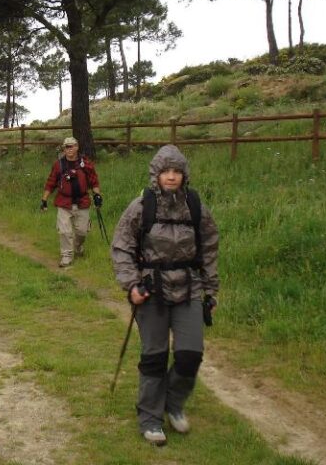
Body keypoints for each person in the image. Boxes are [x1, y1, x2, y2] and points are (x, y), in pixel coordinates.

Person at [110, 144, 219, 446]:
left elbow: (209, 249)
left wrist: (211, 289)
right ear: (155, 175)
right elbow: (122, 247)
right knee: (154, 357)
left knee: (190, 355)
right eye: (165, 172)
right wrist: (132, 285)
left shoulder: (196, 207)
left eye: (177, 172)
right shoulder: (141, 207)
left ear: (184, 175)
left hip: (190, 288)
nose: (171, 177)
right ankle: (150, 417)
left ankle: (173, 402)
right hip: (151, 290)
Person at [40, 136, 102, 267]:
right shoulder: (58, 165)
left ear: (77, 147)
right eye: (66, 147)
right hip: (64, 202)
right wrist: (44, 200)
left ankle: (78, 247)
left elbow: (94, 181)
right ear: (64, 148)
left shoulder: (86, 164)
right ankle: (66, 256)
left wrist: (97, 196)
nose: (69, 149)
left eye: (71, 146)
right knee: (65, 231)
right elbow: (50, 183)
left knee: (82, 231)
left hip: (82, 202)